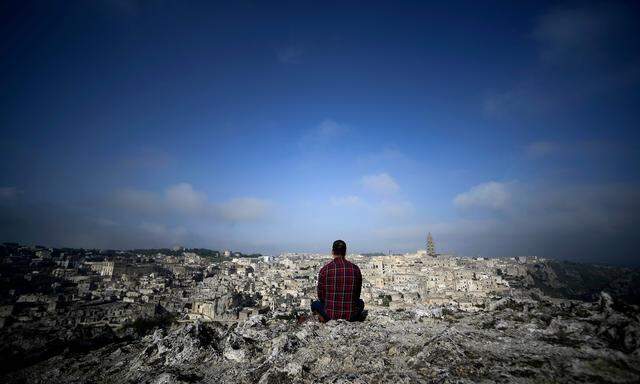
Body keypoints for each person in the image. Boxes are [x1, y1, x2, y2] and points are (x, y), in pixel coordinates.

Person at [311, 240, 366, 322]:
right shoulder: (355, 269)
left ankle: (322, 319)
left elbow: (321, 296)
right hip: (351, 316)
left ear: (332, 252)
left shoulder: (325, 270)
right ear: (345, 252)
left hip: (329, 315)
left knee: (314, 304)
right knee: (361, 303)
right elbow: (357, 295)